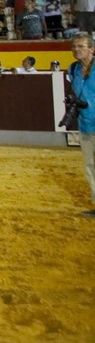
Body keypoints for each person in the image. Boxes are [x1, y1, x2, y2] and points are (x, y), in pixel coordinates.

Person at [67, 34, 95, 216]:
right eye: (74, 47)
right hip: (85, 124)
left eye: (82, 46)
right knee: (90, 166)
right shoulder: (73, 69)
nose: (77, 50)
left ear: (92, 49)